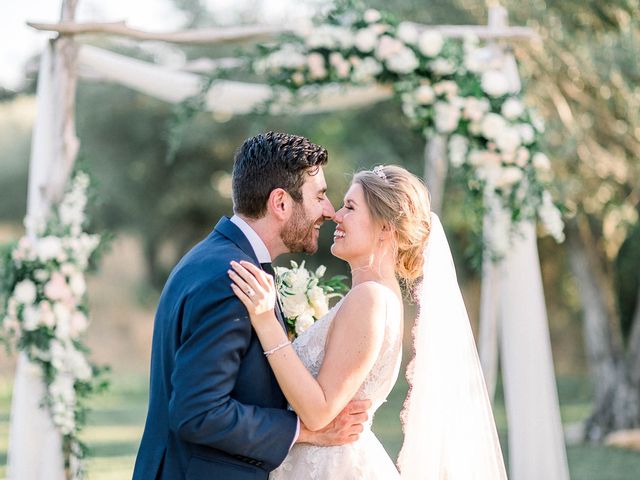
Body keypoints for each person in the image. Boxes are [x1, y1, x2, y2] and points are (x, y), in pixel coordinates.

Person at [229, 165, 508, 479]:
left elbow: (318, 412)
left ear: (386, 228)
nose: (335, 215)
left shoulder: (370, 299)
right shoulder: (373, 296)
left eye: (350, 207)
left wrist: (266, 322)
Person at [132, 132, 370, 480]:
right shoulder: (229, 279)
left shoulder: (219, 259)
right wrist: (302, 431)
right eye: (319, 195)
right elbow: (198, 413)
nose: (328, 210)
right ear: (281, 203)